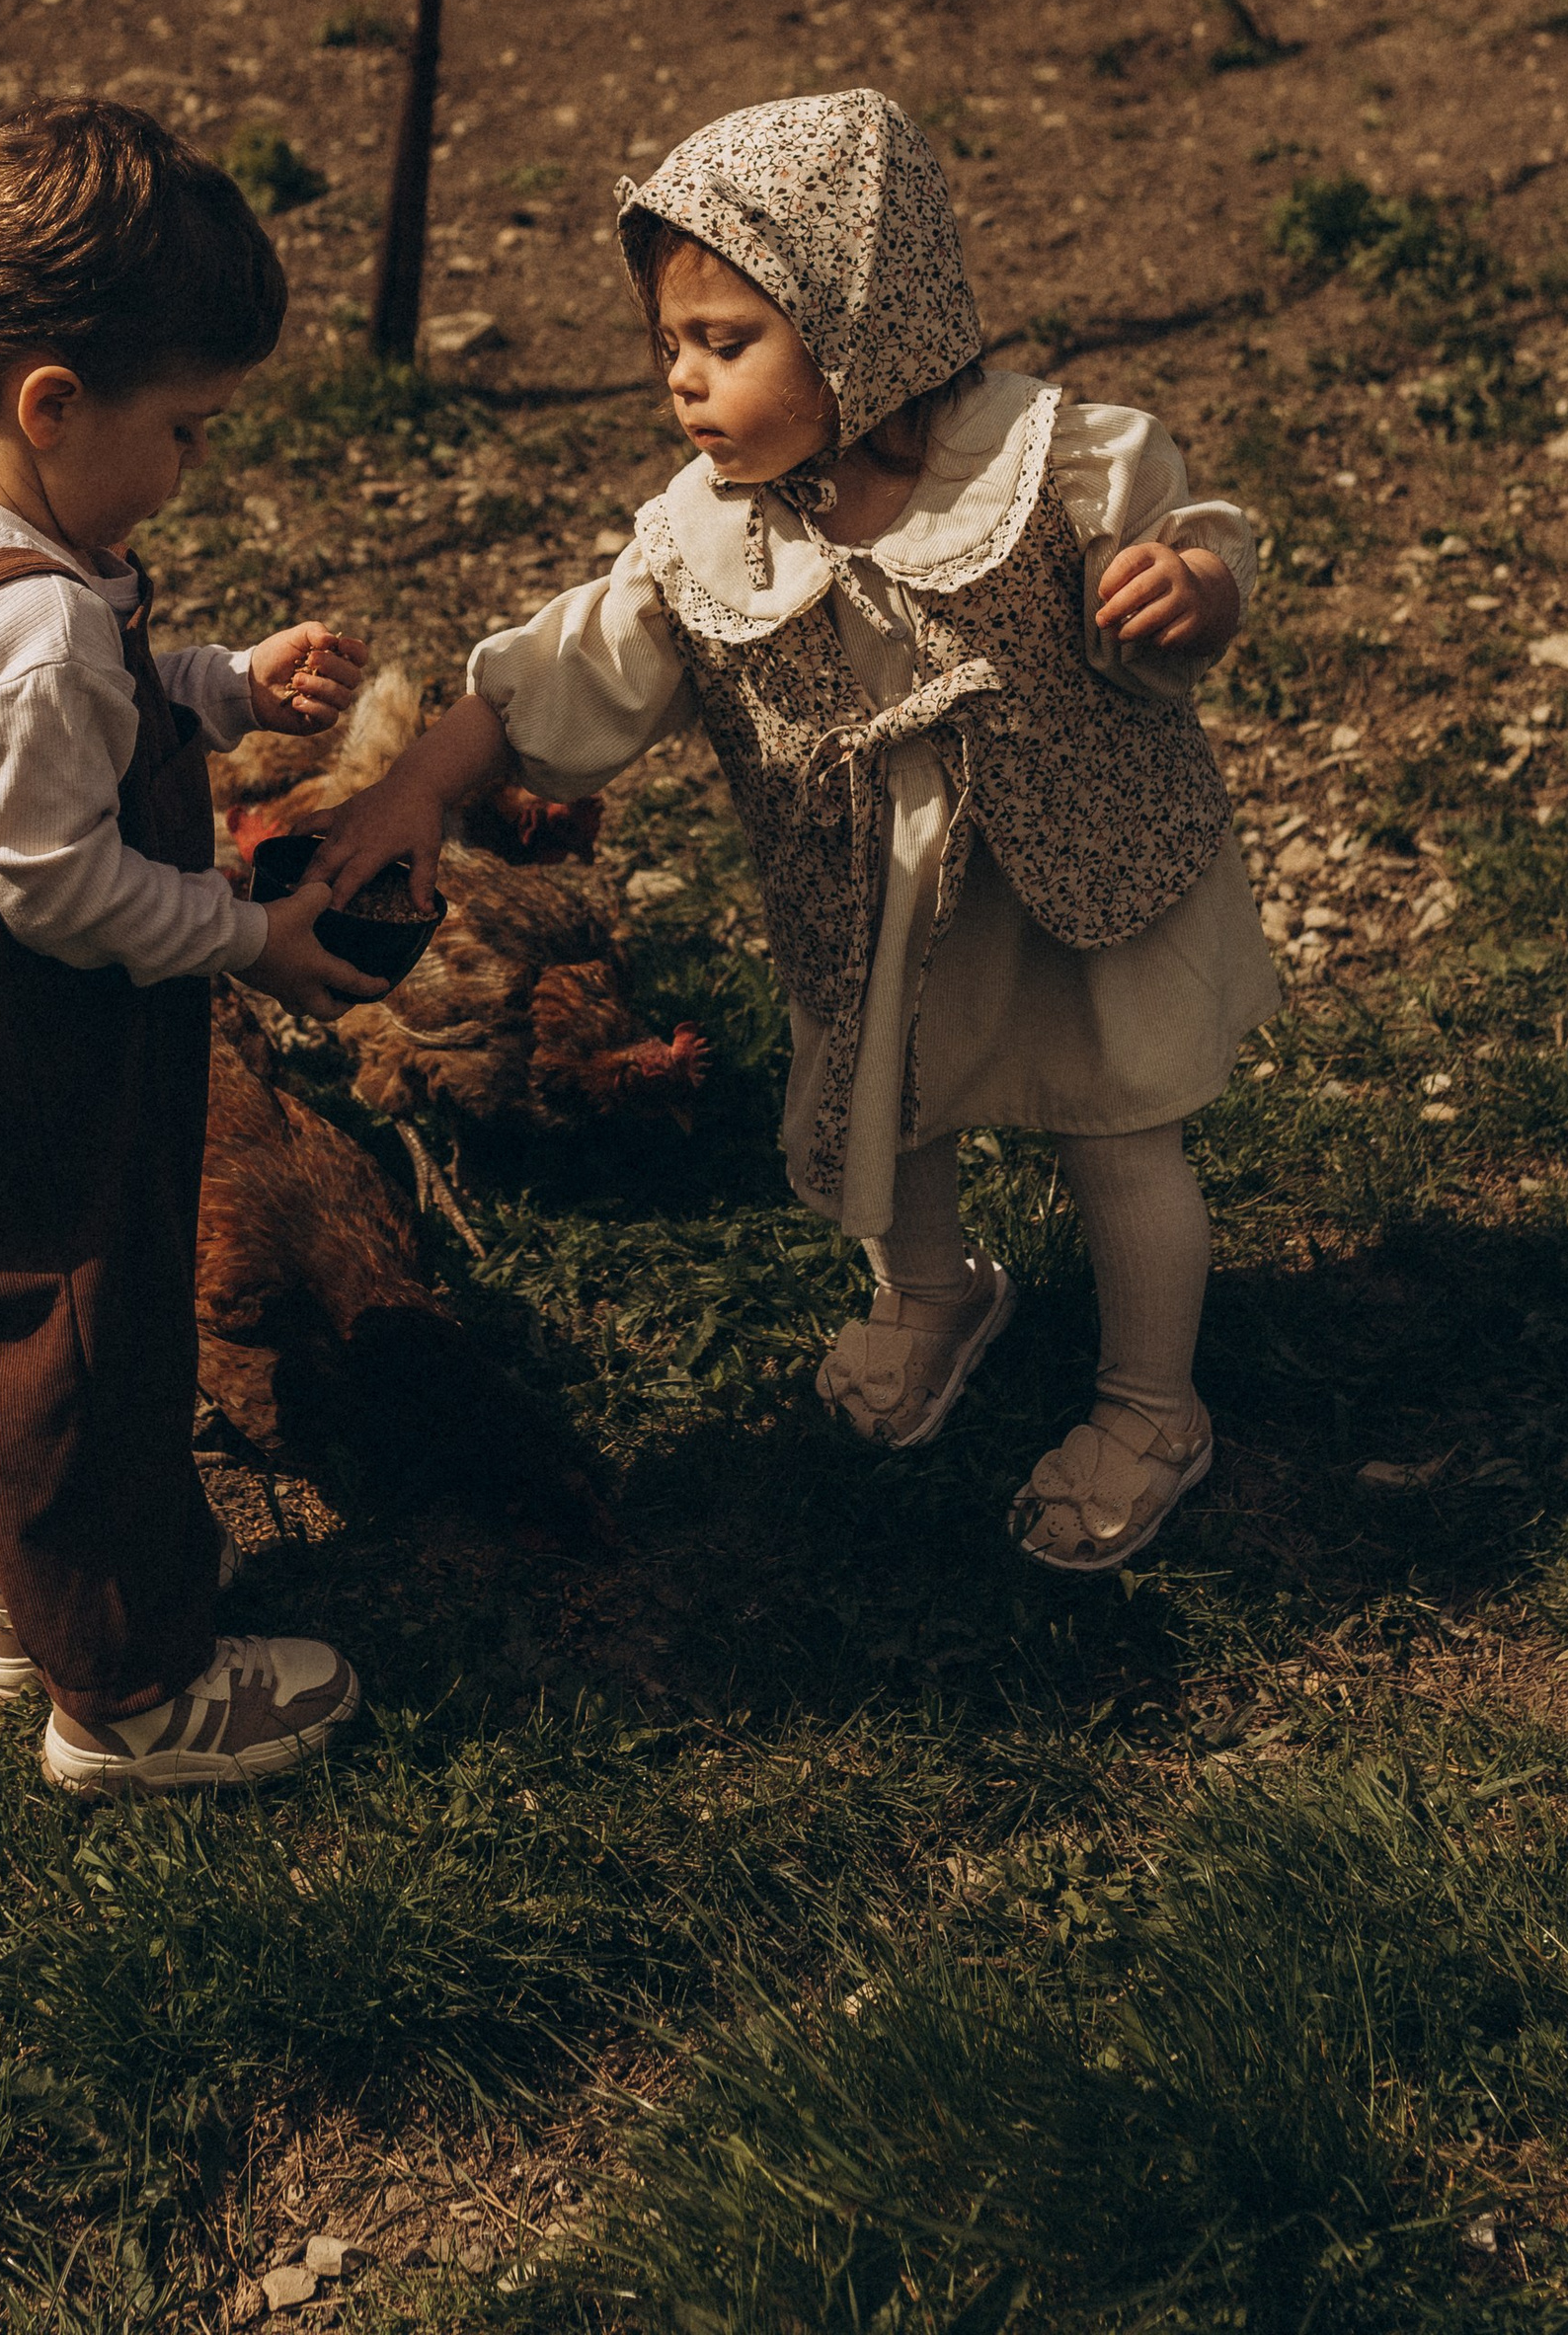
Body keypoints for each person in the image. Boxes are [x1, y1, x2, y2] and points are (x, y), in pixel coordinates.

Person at [319, 89, 1275, 1575]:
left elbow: (1190, 539)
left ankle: (1153, 1405)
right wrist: (415, 788)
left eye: (726, 341)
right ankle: (936, 1291)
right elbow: (554, 675)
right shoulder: (708, 535)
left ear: (861, 328)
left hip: (1077, 870)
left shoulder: (1045, 464)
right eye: (671, 346)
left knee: (1120, 1139)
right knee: (888, 1099)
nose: (684, 382)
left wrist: (1193, 587)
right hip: (870, 899)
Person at [0, 98, 383, 1790]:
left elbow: (63, 730)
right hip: (39, 1051)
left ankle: (20, 1597)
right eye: (190, 429)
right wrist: (248, 935)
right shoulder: (46, 628)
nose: (195, 463)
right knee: (90, 1350)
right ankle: (130, 1696)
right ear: (54, 405)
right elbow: (63, 886)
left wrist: (220, 687)